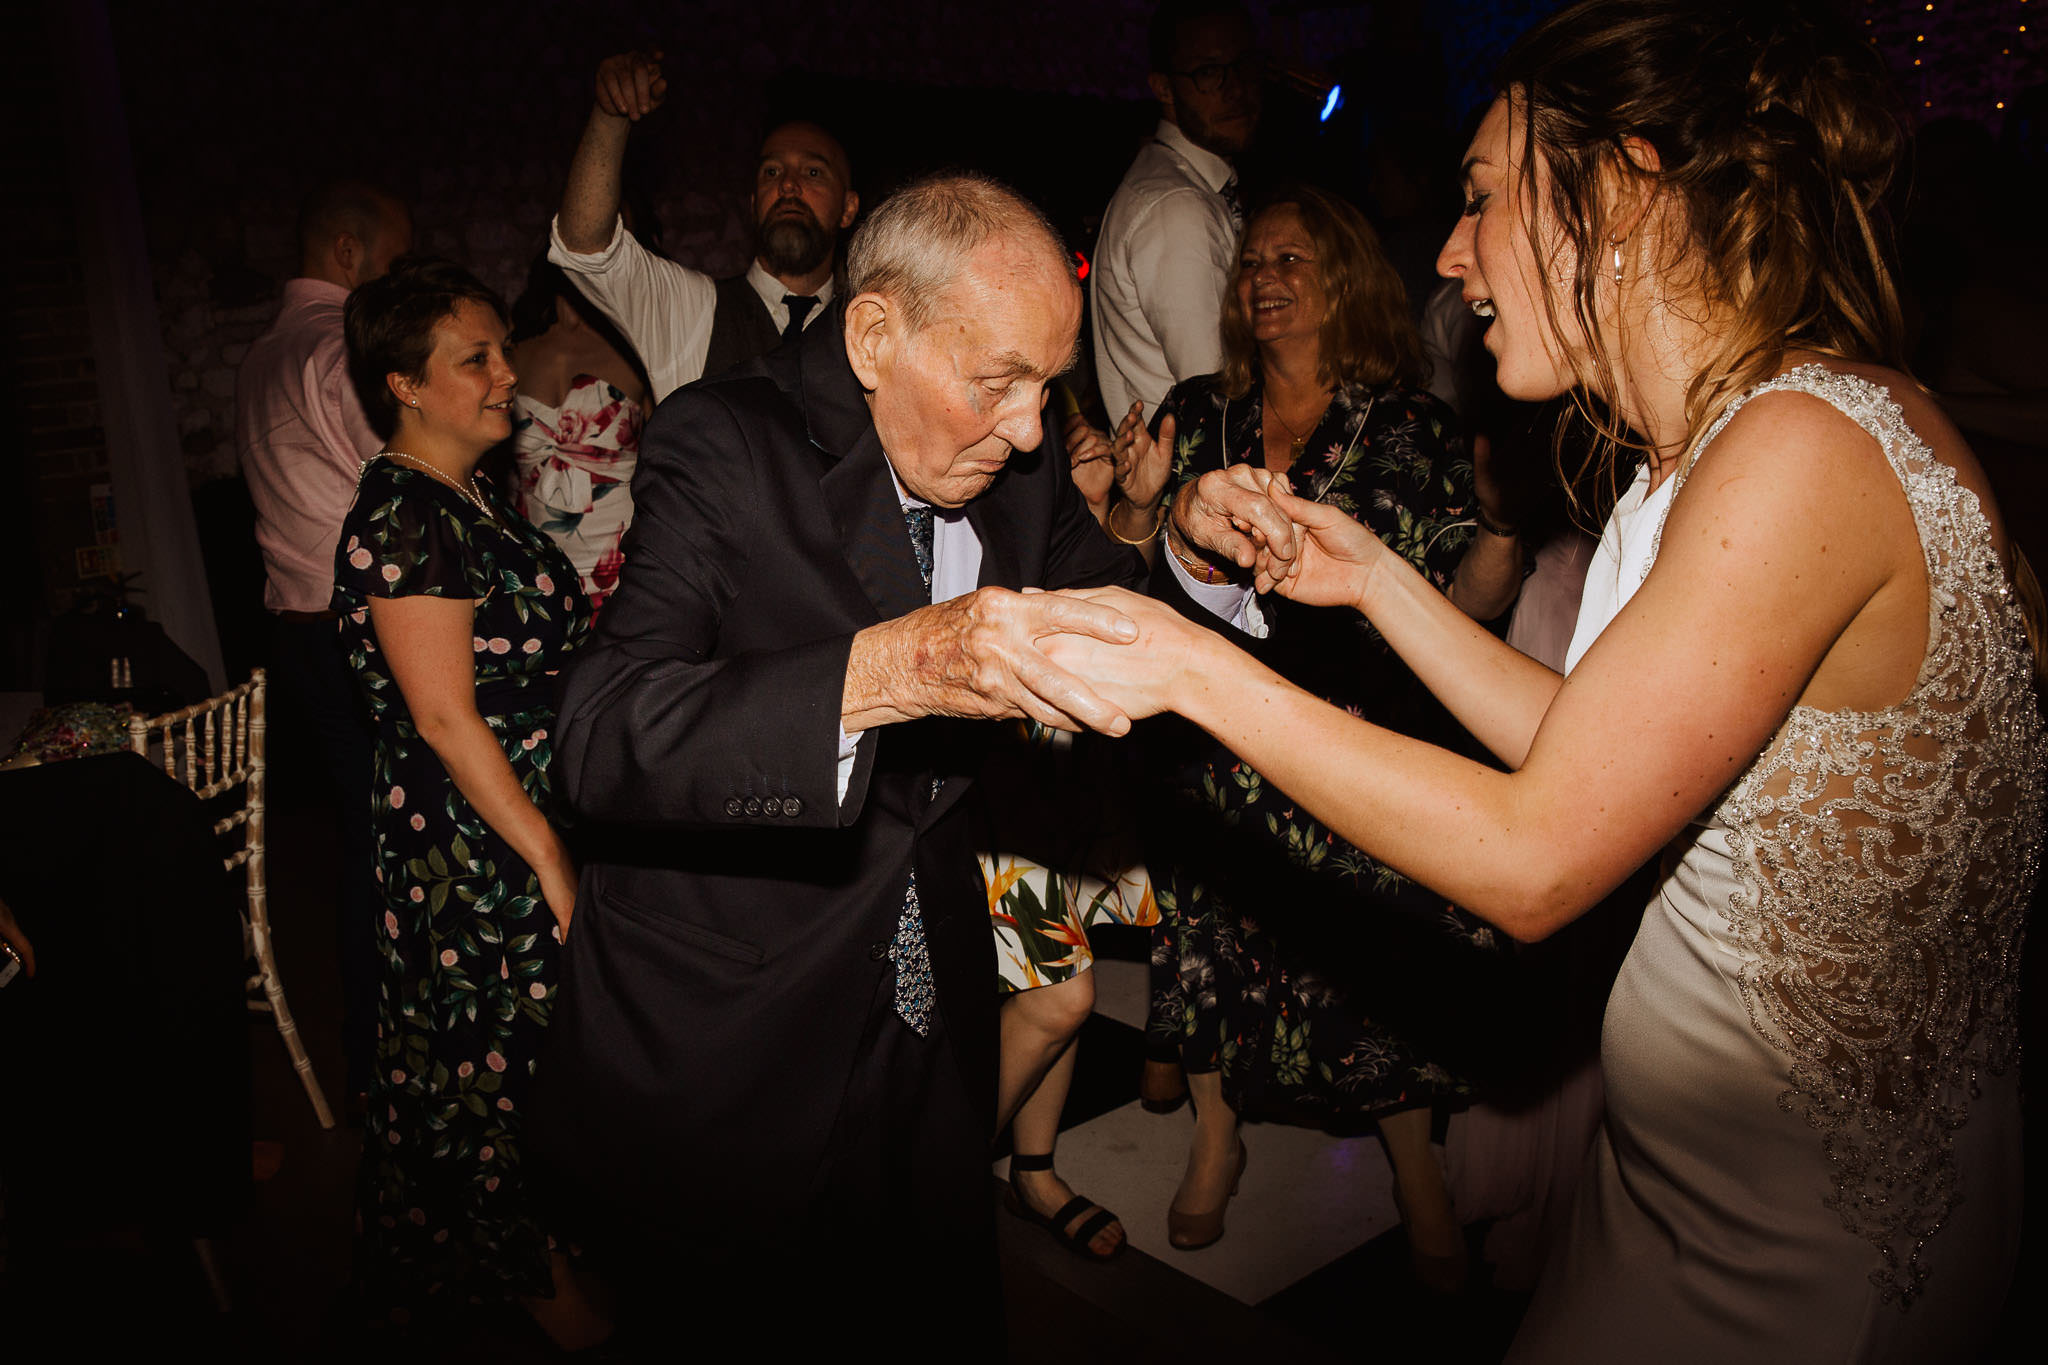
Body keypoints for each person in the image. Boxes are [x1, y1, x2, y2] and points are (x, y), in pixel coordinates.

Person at [1043, 2, 2042, 1359]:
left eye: (1480, 199)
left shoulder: (1798, 450)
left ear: (1621, 190)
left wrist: (1191, 670)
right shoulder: (1727, 445)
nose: (1450, 255)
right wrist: (1377, 581)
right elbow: (1590, 750)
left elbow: (1536, 858)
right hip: (1688, 1177)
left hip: (1797, 1222)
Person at [530, 173, 1147, 1349]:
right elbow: (601, 736)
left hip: (929, 993)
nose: (1030, 431)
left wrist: (1198, 556)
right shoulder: (725, 441)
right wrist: (885, 673)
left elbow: (1114, 603)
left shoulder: (1014, 472)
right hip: (737, 1014)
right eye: (997, 383)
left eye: (1046, 386)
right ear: (874, 334)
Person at [1082, 187, 1522, 1274]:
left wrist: (1506, 526)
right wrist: (1135, 506)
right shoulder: (1195, 409)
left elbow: (1464, 608)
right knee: (1210, 942)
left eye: (1290, 258)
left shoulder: (1410, 424)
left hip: (1353, 739)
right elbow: (1122, 576)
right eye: (1250, 264)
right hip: (1208, 738)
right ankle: (1216, 1142)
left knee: (1370, 948)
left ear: (1343, 282)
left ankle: (1412, 1168)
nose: (1262, 277)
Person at [333, 257, 602, 1346]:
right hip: (472, 837)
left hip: (511, 810)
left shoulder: (460, 497)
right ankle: (525, 1272)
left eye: (500, 350)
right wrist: (546, 856)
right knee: (497, 1061)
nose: (507, 376)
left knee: (518, 1053)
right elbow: (446, 719)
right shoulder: (403, 516)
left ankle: (515, 1245)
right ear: (403, 384)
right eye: (476, 359)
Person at [235, 178, 412, 1101]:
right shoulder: (336, 347)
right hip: (359, 629)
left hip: (295, 632)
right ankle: (390, 1063)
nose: (399, 281)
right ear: (348, 255)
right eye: (392, 262)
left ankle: (370, 1060)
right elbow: (400, 476)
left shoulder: (263, 353)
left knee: (364, 840)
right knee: (393, 846)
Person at [550, 50, 858, 403]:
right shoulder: (690, 309)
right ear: (754, 206)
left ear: (848, 208)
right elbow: (584, 245)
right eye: (771, 172)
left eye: (812, 172)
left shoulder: (867, 331)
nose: (787, 185)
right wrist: (610, 117)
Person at [1092, 0, 1262, 428]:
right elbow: (1218, 398)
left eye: (1244, 64)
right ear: (1164, 88)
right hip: (1191, 479)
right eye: (1208, 72)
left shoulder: (1181, 186)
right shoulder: (1177, 207)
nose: (1234, 86)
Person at [505, 258, 649, 615]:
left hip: (624, 564)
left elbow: (672, 458)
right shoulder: (505, 356)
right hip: (537, 565)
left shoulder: (639, 350)